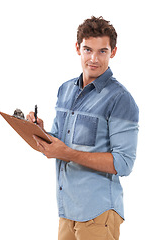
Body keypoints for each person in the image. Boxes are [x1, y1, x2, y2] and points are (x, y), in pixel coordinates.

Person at [27, 16, 139, 240]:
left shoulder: (120, 99)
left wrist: (66, 153)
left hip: (97, 214)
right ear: (78, 48)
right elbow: (60, 142)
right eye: (88, 50)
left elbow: (124, 163)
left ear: (113, 52)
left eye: (102, 51)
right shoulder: (65, 89)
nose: (94, 59)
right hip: (67, 210)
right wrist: (39, 132)